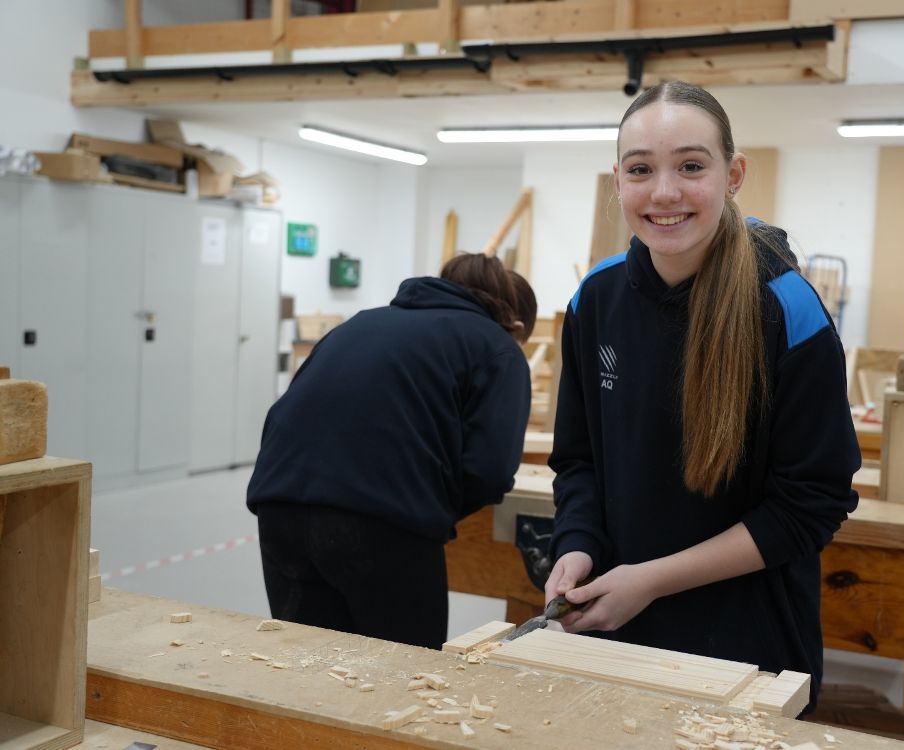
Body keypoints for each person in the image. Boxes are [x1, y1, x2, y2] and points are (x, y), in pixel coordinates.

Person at [544, 81, 859, 713]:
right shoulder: (595, 300)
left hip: (748, 652)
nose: (664, 192)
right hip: (613, 631)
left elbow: (811, 504)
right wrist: (577, 543)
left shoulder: (788, 308)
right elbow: (579, 460)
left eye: (691, 166)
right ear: (617, 182)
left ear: (733, 173)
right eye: (641, 170)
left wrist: (652, 580)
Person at [247, 253, 537, 650]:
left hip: (279, 504)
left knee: (306, 671)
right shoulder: (498, 347)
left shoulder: (362, 322)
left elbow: (289, 412)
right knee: (403, 677)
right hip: (382, 520)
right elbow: (490, 470)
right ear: (515, 327)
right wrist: (430, 510)